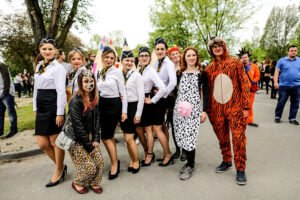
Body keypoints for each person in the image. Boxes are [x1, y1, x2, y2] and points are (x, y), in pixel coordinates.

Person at [205, 37, 250, 185]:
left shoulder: (235, 62)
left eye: (219, 46)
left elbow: (244, 83)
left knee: (238, 138)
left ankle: (241, 168)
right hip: (217, 109)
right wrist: (209, 111)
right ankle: (226, 160)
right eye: (214, 47)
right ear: (211, 50)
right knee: (222, 137)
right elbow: (207, 90)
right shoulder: (209, 69)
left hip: (235, 107)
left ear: (224, 47)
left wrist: (245, 106)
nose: (217, 48)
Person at [33, 36, 67, 187]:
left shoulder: (58, 67)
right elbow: (35, 89)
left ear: (55, 51)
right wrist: (35, 107)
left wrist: (60, 113)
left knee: (55, 142)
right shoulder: (39, 65)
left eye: (50, 49)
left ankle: (58, 171)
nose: (47, 51)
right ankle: (61, 166)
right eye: (44, 49)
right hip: (41, 105)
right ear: (40, 50)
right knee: (42, 143)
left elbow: (61, 91)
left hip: (53, 104)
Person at [173, 46, 208, 180]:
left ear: (197, 57)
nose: (191, 57)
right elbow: (176, 90)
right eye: (188, 55)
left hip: (194, 110)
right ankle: (189, 162)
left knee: (190, 138)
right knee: (181, 136)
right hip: (180, 110)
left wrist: (204, 111)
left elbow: (206, 92)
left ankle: (190, 165)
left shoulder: (202, 73)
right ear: (184, 58)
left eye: (193, 55)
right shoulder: (179, 73)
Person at [66, 70, 103, 194]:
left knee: (99, 162)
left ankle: (94, 182)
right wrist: (89, 147)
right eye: (86, 81)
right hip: (75, 140)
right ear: (80, 84)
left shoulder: (95, 98)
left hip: (89, 138)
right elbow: (78, 127)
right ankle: (77, 182)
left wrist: (96, 139)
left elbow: (97, 120)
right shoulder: (75, 101)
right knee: (90, 167)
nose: (89, 84)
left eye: (91, 81)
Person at [96, 46, 127, 179]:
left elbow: (123, 92)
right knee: (107, 137)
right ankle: (115, 160)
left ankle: (115, 164)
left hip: (114, 105)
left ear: (115, 60)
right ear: (102, 58)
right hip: (101, 105)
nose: (109, 60)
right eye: (107, 57)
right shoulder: (99, 72)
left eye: (111, 58)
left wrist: (124, 111)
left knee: (106, 136)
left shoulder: (117, 72)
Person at [135, 47, 166, 167]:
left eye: (146, 55)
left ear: (149, 58)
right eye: (141, 55)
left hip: (146, 101)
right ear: (139, 57)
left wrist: (152, 100)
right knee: (139, 129)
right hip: (137, 101)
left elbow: (162, 88)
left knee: (148, 130)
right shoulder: (138, 69)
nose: (144, 58)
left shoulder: (151, 71)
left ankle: (149, 154)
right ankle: (146, 150)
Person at [152, 37, 176, 166]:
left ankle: (167, 154)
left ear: (166, 50)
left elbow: (173, 82)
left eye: (162, 49)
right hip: (157, 99)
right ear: (155, 51)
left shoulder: (169, 63)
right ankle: (165, 151)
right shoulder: (156, 63)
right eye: (158, 49)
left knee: (157, 128)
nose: (160, 51)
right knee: (162, 126)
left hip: (163, 99)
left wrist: (163, 94)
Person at [120, 50, 144, 174]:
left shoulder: (136, 75)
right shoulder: (119, 75)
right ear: (121, 61)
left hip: (133, 106)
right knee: (126, 137)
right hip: (122, 108)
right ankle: (132, 159)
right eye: (126, 60)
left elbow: (141, 96)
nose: (129, 63)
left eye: (131, 61)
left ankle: (136, 161)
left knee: (130, 138)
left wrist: (138, 114)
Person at [166, 44, 186, 161]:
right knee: (174, 127)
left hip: (183, 101)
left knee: (183, 126)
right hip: (171, 101)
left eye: (176, 53)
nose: (174, 56)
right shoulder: (169, 69)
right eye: (172, 54)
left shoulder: (185, 68)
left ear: (180, 54)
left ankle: (184, 151)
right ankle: (177, 149)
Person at [274, 45, 300, 125]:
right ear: (288, 52)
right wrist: (275, 82)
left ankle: (292, 118)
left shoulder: (299, 60)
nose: (294, 52)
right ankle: (277, 116)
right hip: (284, 85)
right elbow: (277, 72)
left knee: (295, 103)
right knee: (281, 102)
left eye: (295, 50)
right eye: (292, 51)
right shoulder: (281, 60)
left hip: (297, 86)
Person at [238, 48, 260, 127]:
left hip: (250, 90)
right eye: (242, 57)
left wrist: (253, 82)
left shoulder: (254, 66)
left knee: (249, 105)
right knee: (239, 105)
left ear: (248, 57)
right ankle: (240, 119)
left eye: (245, 57)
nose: (244, 59)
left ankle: (250, 120)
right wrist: (239, 65)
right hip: (240, 90)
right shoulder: (239, 66)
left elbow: (258, 76)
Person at [0, 62, 18, 138]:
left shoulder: (2, 65)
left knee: (10, 112)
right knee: (0, 113)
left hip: (7, 93)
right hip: (0, 93)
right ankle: (0, 131)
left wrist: (5, 92)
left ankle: (14, 129)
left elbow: (6, 79)